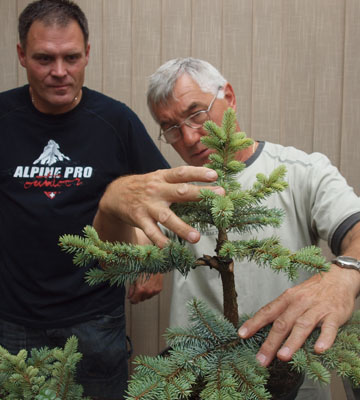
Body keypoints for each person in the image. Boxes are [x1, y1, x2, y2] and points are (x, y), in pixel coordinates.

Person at [140, 57, 360, 398]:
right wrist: (112, 204)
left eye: (197, 114)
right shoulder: (174, 192)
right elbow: (119, 253)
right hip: (200, 379)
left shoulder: (300, 171)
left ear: (229, 97)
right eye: (171, 128)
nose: (188, 137)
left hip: (288, 377)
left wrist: (344, 277)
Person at [0, 2, 221, 399]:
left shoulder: (115, 120)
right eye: (44, 58)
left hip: (95, 319)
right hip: (13, 319)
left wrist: (154, 258)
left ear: (87, 53)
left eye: (71, 57)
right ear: (21, 55)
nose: (59, 71)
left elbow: (161, 195)